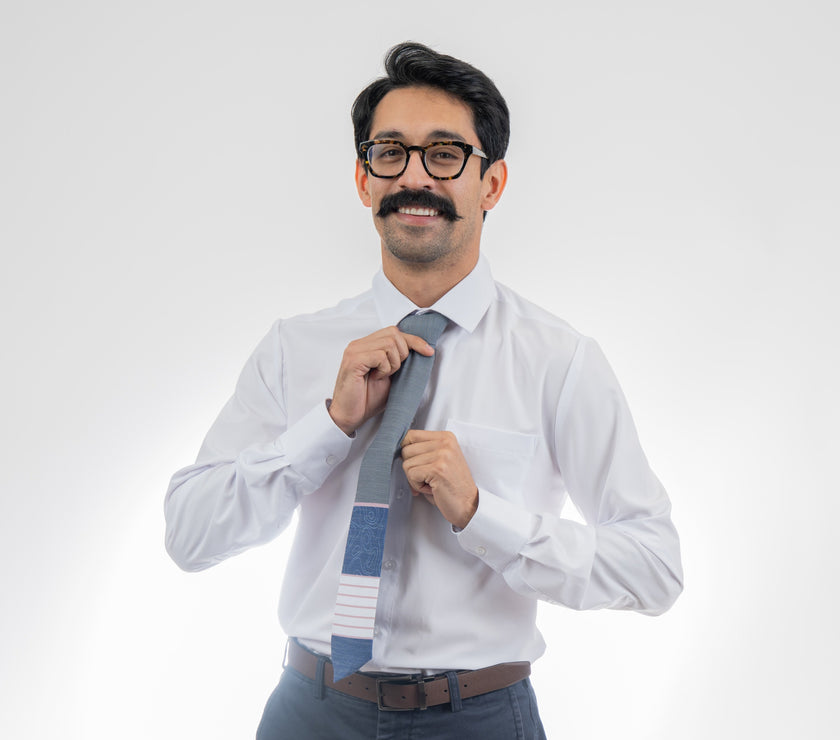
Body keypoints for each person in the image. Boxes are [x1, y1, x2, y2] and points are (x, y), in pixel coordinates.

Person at [164, 42, 683, 740]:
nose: (415, 176)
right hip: (309, 713)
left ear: (491, 183)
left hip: (481, 718)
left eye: (444, 154)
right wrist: (327, 425)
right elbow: (190, 535)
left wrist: (481, 514)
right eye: (391, 153)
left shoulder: (559, 360)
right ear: (362, 179)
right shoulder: (296, 348)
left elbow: (654, 568)